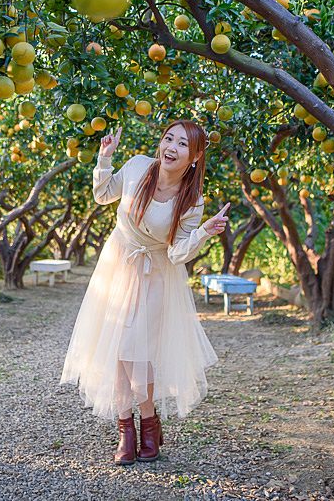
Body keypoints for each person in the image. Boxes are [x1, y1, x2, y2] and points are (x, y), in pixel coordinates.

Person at [59, 119, 228, 465]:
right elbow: (104, 195)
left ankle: (148, 420)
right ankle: (128, 428)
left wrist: (203, 233)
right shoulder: (138, 167)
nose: (172, 147)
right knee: (120, 350)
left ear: (194, 157)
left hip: (155, 273)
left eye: (183, 144)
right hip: (118, 263)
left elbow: (177, 253)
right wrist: (104, 159)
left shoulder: (192, 199)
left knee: (137, 351)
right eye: (169, 139)